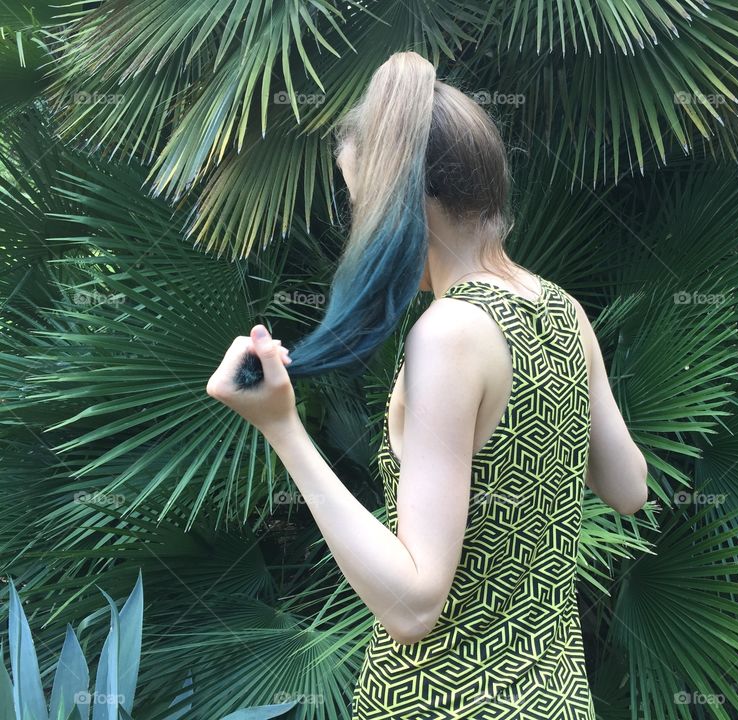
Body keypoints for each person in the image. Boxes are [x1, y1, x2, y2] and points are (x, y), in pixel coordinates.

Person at [206, 50, 648, 720]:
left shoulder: (449, 334)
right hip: (554, 698)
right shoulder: (561, 309)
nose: (359, 229)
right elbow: (628, 487)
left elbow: (414, 604)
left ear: (406, 204)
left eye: (361, 204)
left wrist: (281, 428)